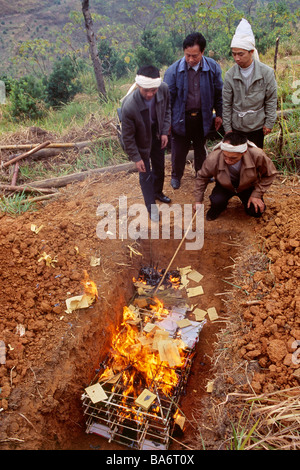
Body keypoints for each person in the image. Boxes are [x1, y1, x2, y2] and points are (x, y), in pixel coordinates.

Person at [164, 32, 223, 189]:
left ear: (202, 52)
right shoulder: (173, 71)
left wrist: (219, 115)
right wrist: (167, 121)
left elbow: (219, 94)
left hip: (203, 117)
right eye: (187, 55)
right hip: (180, 118)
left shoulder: (212, 68)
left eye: (194, 56)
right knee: (178, 151)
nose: (190, 59)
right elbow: (166, 100)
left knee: (200, 148)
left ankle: (202, 173)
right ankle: (176, 176)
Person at [121, 65, 171, 222]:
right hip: (140, 138)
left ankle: (158, 192)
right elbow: (127, 137)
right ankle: (151, 207)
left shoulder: (163, 89)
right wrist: (136, 158)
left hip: (156, 133)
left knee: (159, 167)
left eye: (153, 90)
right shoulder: (129, 106)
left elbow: (167, 109)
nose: (150, 94)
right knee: (145, 173)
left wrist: (164, 131)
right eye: (145, 91)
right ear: (138, 86)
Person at [194, 131, 277, 220]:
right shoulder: (213, 158)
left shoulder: (257, 155)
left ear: (244, 152)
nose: (228, 161)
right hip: (224, 186)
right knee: (217, 201)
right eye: (225, 156)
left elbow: (270, 174)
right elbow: (202, 177)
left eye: (233, 158)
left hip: (248, 186)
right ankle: (219, 206)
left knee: (256, 211)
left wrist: (257, 194)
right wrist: (198, 200)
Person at [222, 18, 277, 148]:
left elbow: (271, 99)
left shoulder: (266, 73)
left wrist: (269, 123)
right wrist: (227, 127)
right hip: (237, 126)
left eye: (241, 54)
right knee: (237, 159)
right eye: (234, 54)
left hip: (257, 126)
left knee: (255, 159)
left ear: (251, 52)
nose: (237, 58)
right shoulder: (230, 75)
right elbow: (226, 103)